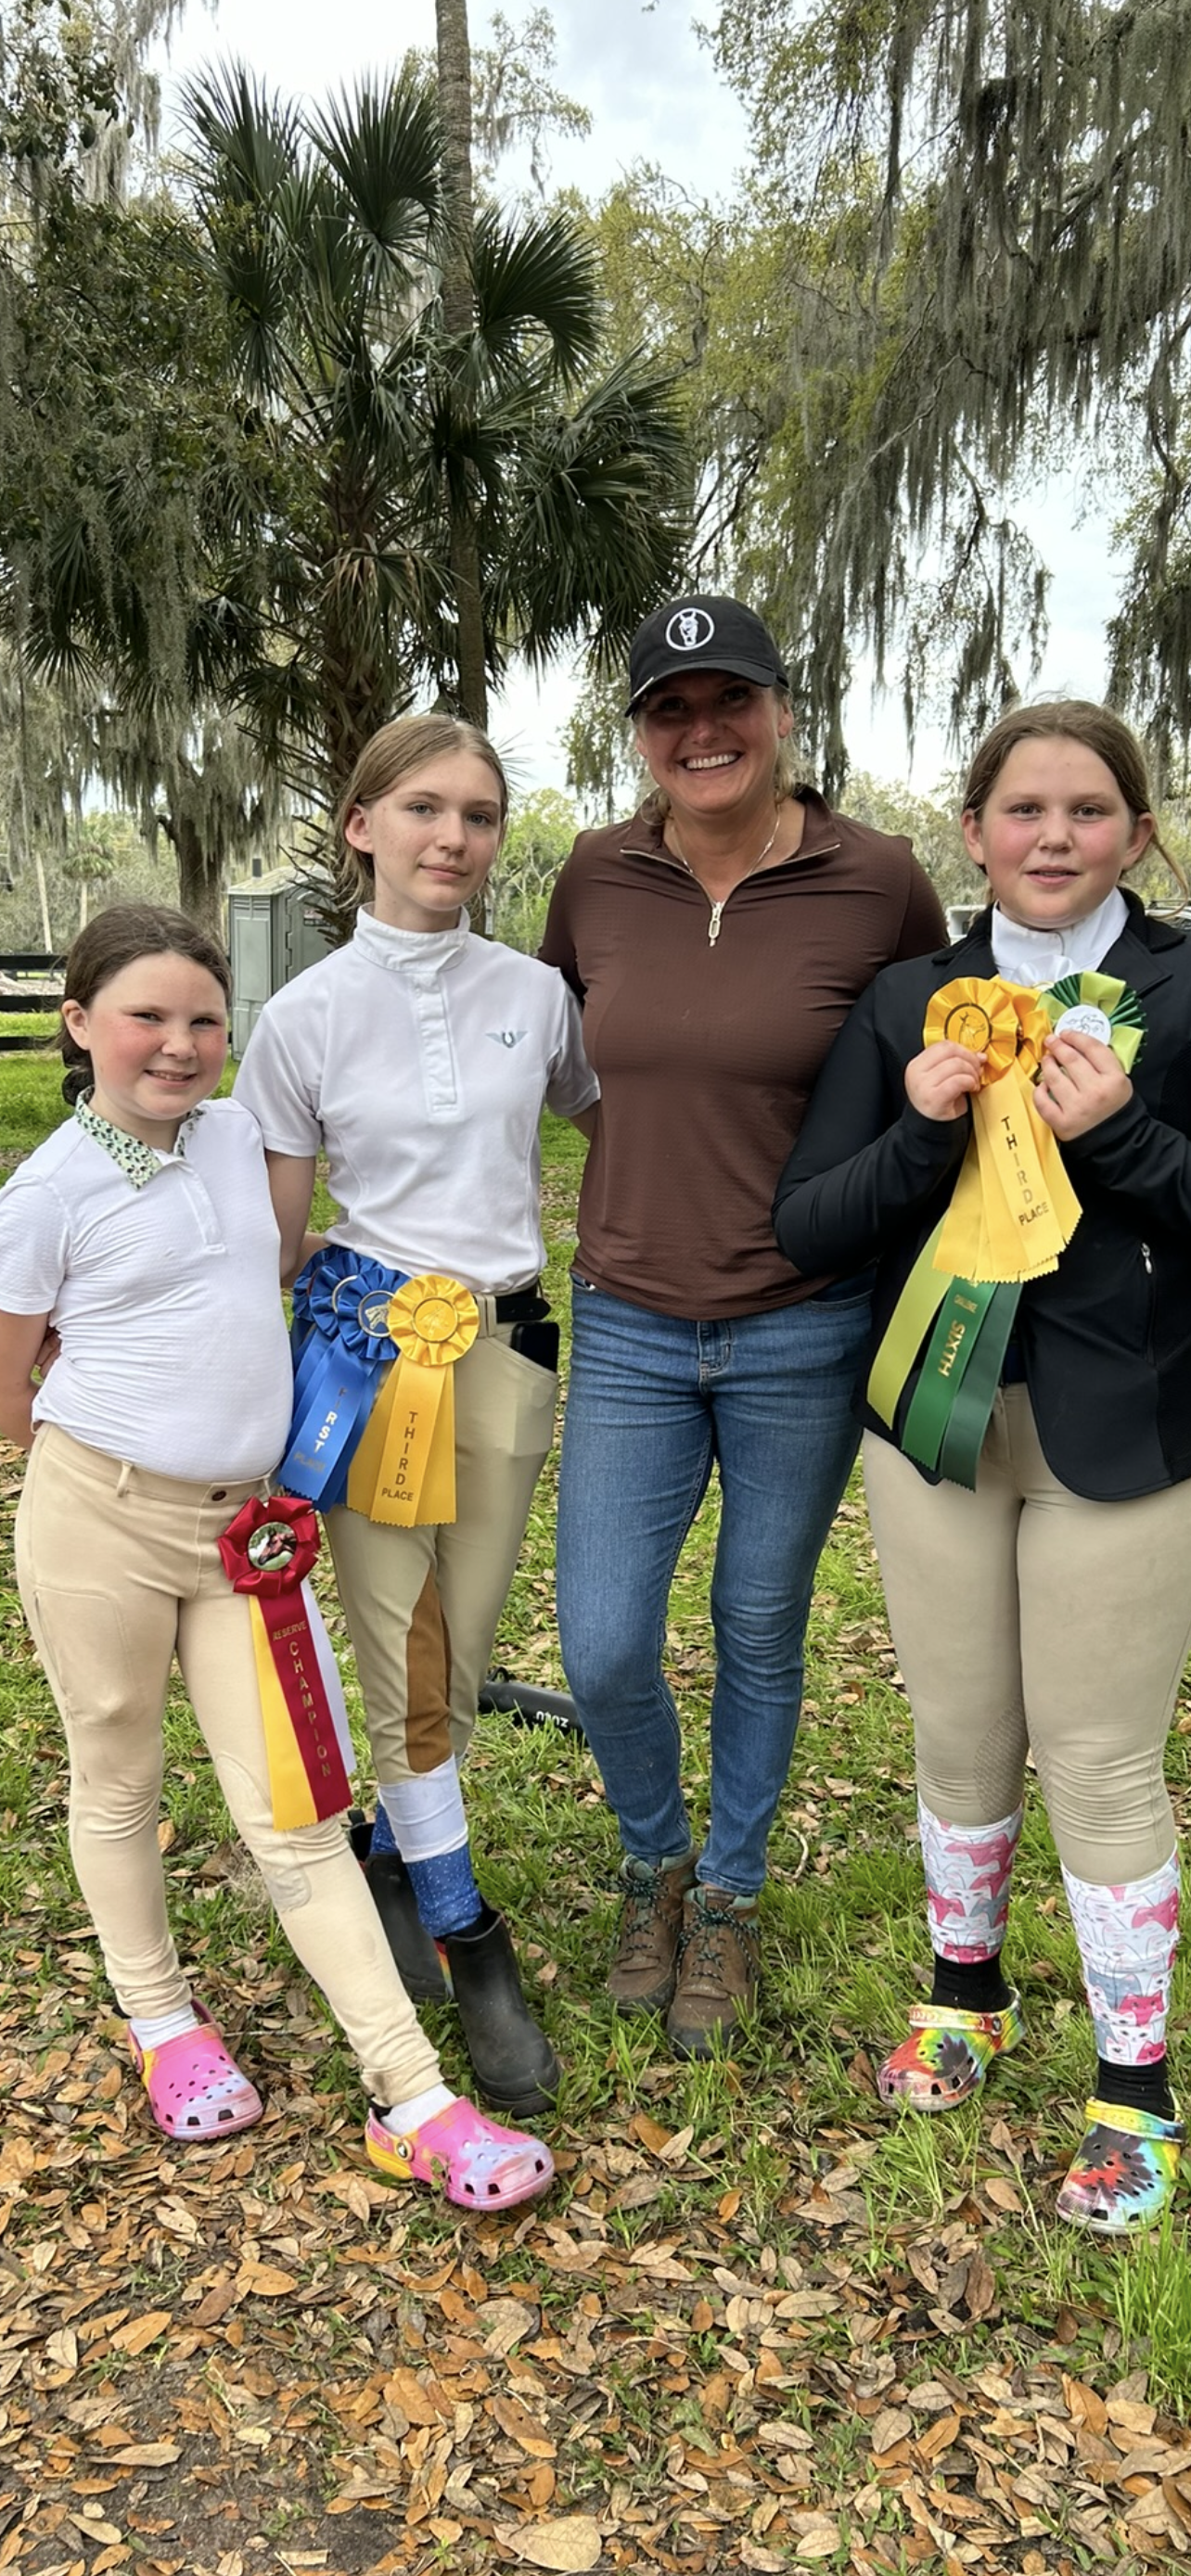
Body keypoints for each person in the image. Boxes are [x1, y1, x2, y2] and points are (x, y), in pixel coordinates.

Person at [0, 902, 553, 2213]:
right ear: (80, 1026)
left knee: (296, 1807)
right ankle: (162, 2021)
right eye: (148, 1016)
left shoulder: (239, 1136)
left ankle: (412, 2096)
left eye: (204, 1018)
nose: (181, 1045)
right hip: (102, 1521)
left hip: (248, 1534)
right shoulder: (44, 1194)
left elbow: (268, 1273)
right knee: (118, 1770)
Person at [774, 700, 1191, 2231]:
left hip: (1124, 1438)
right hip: (937, 1434)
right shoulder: (909, 1000)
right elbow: (811, 1221)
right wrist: (912, 1129)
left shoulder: (1183, 986)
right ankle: (967, 1992)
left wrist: (1132, 1136)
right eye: (1024, 809)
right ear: (975, 831)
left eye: (1090, 809)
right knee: (958, 1732)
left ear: (1136, 832)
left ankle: (1133, 2086)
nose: (1056, 835)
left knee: (1094, 1756)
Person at [539, 594, 946, 2055]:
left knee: (759, 1623)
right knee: (599, 1644)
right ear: (640, 733)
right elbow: (555, 1051)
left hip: (804, 1323)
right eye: (669, 709)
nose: (701, 732)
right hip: (634, 1316)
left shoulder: (880, 877)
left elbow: (937, 1055)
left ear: (782, 712)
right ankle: (655, 1853)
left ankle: (730, 1891)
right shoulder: (593, 874)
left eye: (731, 702)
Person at [236, 714, 597, 2120]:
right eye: (425, 808)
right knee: (411, 1662)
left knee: (468, 1632)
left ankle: (397, 1843)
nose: (455, 836)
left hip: (508, 1352)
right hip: (371, 1359)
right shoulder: (303, 1017)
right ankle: (464, 1926)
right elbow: (269, 1236)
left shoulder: (536, 995)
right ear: (362, 823)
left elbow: (613, 1127)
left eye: (482, 814)